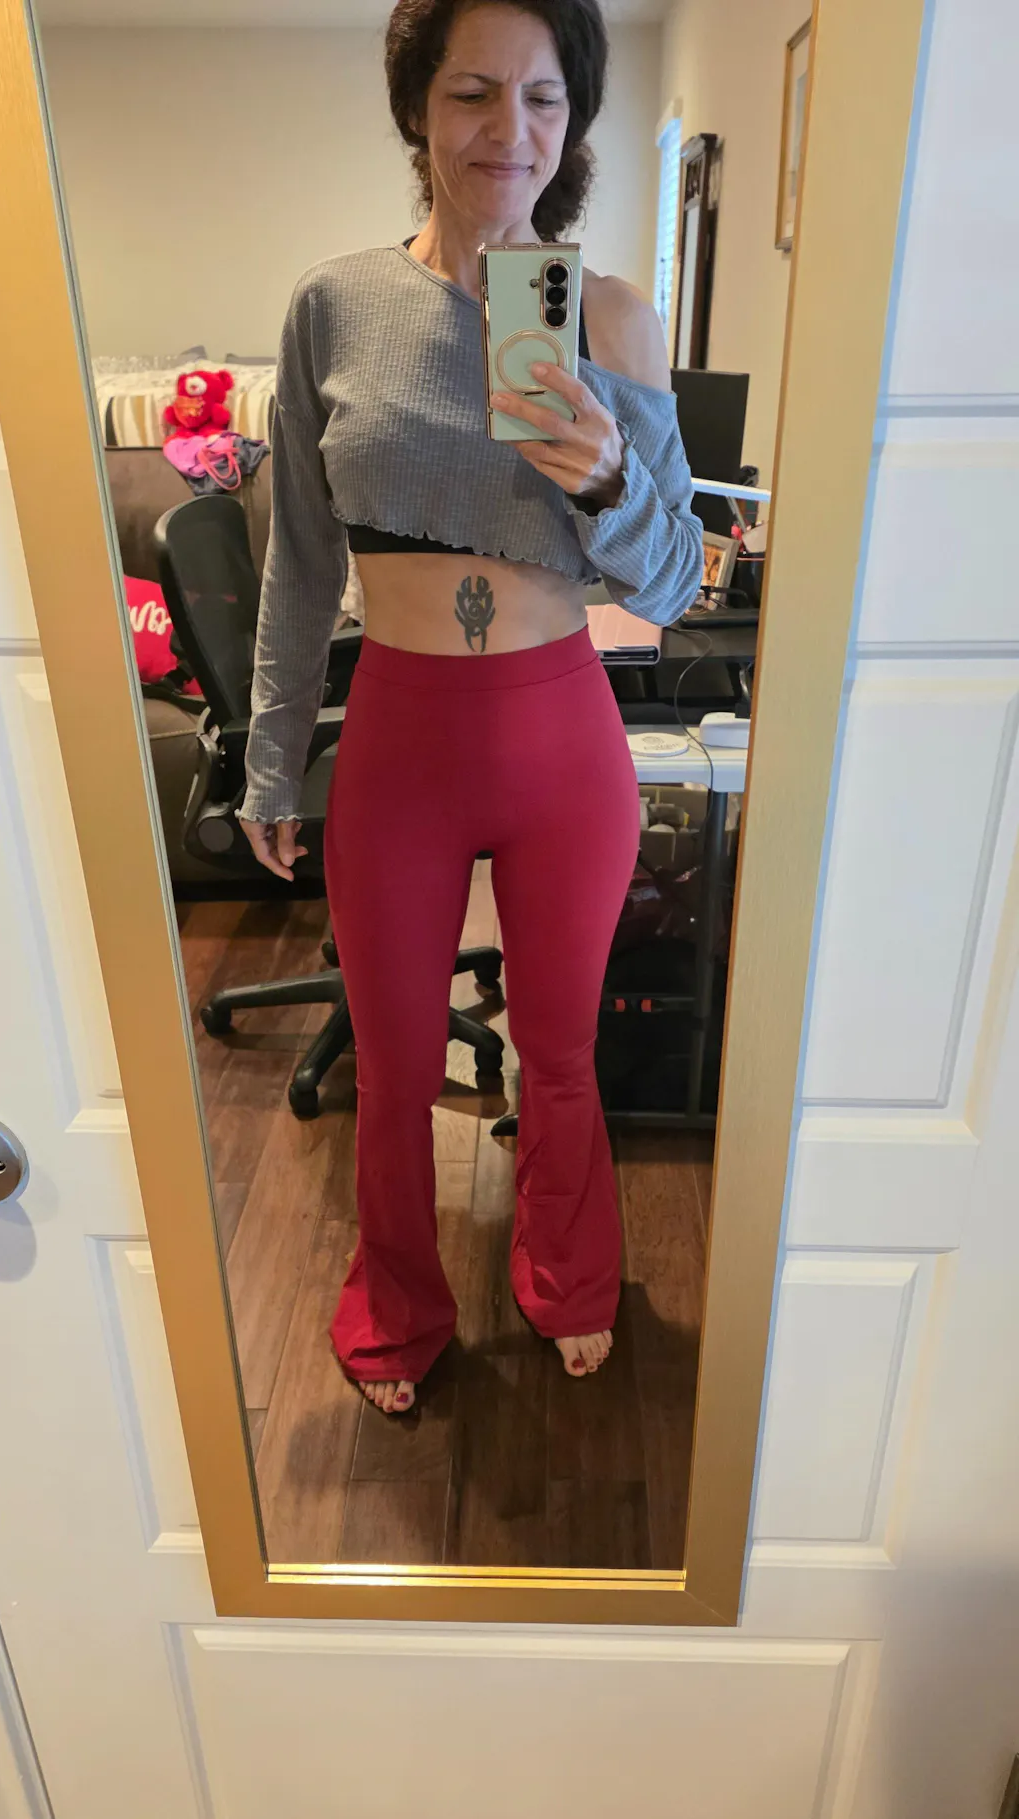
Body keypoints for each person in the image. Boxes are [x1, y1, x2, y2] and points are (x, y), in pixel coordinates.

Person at [239, 0, 704, 1415]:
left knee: (558, 1051)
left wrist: (612, 477)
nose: (513, 132)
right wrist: (271, 759)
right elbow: (299, 560)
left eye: (545, 99)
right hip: (400, 735)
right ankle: (394, 1306)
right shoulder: (334, 306)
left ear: (575, 119)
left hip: (563, 734)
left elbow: (674, 581)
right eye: (473, 93)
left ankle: (569, 1275)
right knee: (393, 1065)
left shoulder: (609, 315)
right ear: (416, 109)